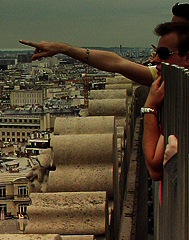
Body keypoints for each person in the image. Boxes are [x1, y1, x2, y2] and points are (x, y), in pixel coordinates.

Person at [21, 17, 184, 178]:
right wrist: (63, 49)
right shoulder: (164, 77)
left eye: (162, 53)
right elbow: (116, 63)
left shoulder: (176, 96)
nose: (155, 59)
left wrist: (150, 106)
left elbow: (154, 167)